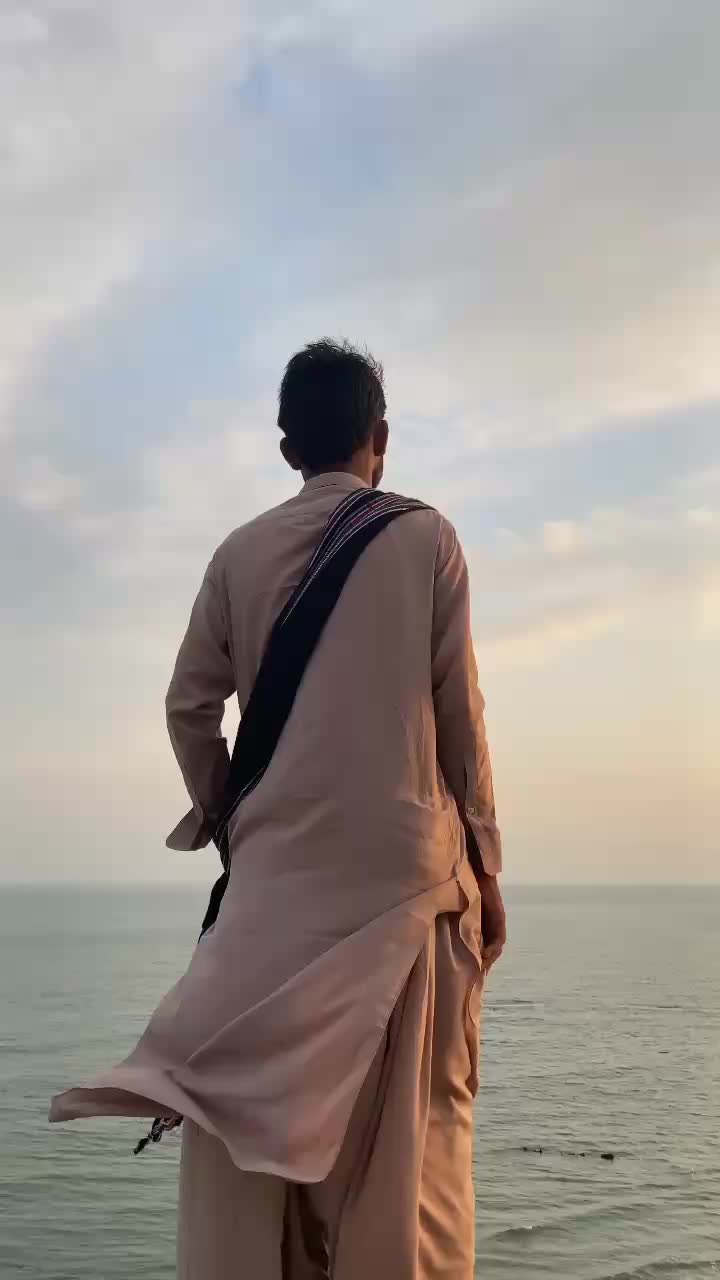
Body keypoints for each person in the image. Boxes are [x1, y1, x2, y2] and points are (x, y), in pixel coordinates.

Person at [50, 339, 506, 1279]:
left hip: (270, 902)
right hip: (403, 891)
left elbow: (188, 708)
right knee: (398, 1165)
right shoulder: (427, 538)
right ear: (381, 437)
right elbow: (460, 718)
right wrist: (489, 867)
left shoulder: (237, 554)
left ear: (287, 446)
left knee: (246, 1151)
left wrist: (233, 822)